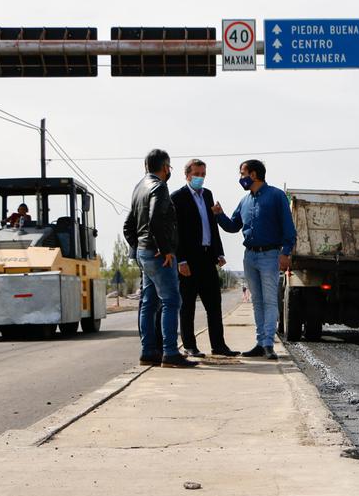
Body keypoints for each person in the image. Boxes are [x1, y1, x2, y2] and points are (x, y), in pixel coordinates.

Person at [215, 159, 296, 360]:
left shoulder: (276, 196)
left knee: (269, 301)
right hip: (249, 256)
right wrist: (219, 215)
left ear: (253, 174)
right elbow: (234, 226)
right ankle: (260, 342)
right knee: (257, 301)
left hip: (270, 255)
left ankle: (268, 343)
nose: (240, 178)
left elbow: (289, 229)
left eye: (242, 174)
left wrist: (285, 253)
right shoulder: (245, 201)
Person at [124, 148, 197, 368]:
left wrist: (140, 247)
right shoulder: (159, 187)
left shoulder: (139, 188)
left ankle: (148, 352)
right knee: (171, 301)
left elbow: (128, 226)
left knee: (149, 302)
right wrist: (164, 248)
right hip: (158, 255)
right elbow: (156, 218)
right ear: (165, 167)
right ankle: (170, 353)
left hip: (144, 253)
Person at [171, 159, 238, 358]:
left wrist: (219, 252)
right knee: (188, 305)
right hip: (189, 261)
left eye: (203, 174)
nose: (200, 178)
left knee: (214, 304)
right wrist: (181, 260)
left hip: (208, 257)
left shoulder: (207, 195)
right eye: (196, 174)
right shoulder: (177, 197)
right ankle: (190, 345)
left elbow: (212, 225)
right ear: (187, 175)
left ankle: (219, 346)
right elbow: (177, 233)